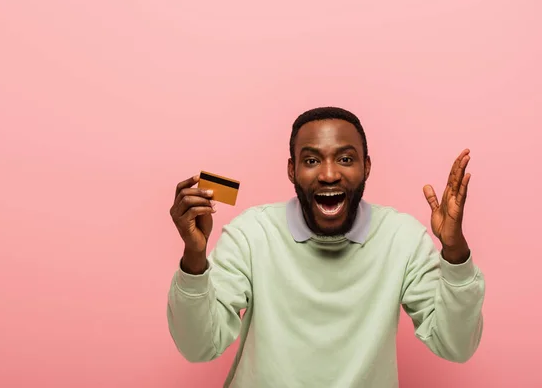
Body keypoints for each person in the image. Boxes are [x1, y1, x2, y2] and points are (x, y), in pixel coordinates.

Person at [166, 106, 485, 388]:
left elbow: (455, 346)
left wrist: (455, 252)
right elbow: (199, 346)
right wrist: (194, 256)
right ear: (292, 170)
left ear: (367, 167)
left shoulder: (401, 238)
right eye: (312, 160)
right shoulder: (252, 234)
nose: (329, 174)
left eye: (346, 159)